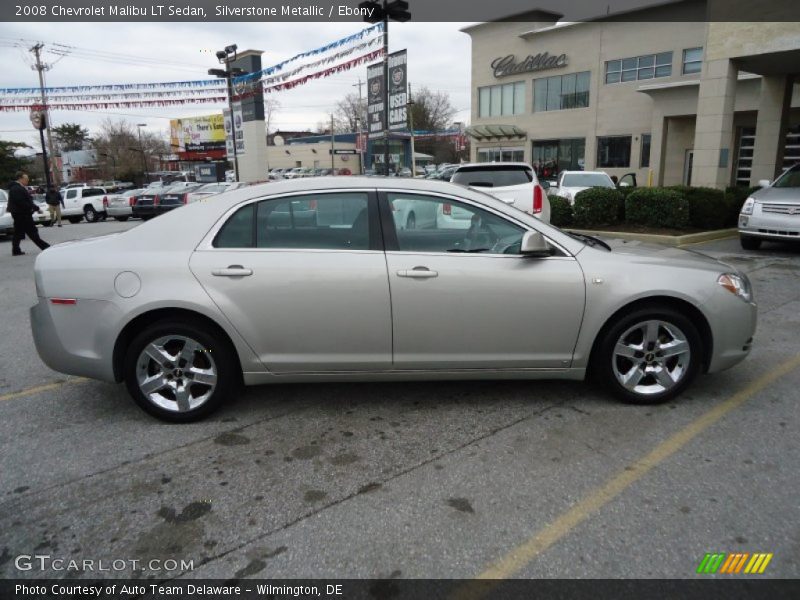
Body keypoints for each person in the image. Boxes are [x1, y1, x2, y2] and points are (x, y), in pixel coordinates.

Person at [7, 171, 50, 256]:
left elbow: (27, 201)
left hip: (20, 213)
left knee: (18, 232)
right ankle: (45, 247)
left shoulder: (18, 188)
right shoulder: (16, 188)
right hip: (22, 214)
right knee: (32, 231)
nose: (27, 181)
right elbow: (22, 202)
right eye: (26, 179)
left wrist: (36, 208)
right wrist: (32, 208)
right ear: (20, 178)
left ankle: (15, 250)